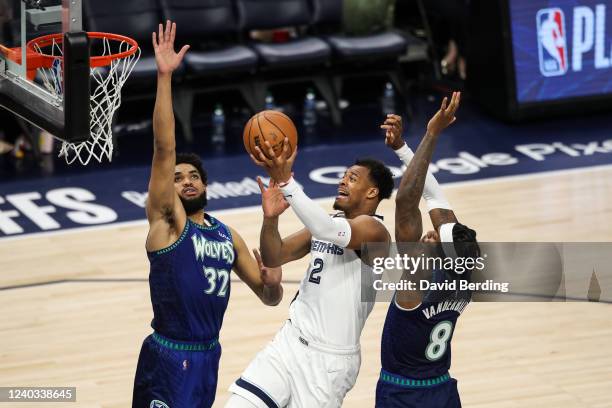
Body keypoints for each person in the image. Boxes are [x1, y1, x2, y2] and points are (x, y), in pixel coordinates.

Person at [132, 21, 283, 408]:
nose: (186, 182)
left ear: (205, 185)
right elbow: (164, 149)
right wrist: (165, 77)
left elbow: (269, 298)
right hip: (169, 356)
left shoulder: (227, 236)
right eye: (178, 178)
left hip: (209, 356)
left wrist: (273, 279)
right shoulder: (168, 223)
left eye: (194, 176)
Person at [225, 140, 394, 407]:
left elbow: (327, 230)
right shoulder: (331, 223)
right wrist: (270, 219)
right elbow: (275, 255)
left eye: (352, 178)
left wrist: (287, 183)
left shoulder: (376, 233)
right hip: (289, 342)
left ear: (372, 192)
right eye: (343, 177)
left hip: (328, 361)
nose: (342, 182)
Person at [376, 93, 479, 407]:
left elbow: (408, 199)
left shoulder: (416, 284)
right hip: (443, 388)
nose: (432, 233)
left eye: (435, 238)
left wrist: (432, 133)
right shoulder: (464, 277)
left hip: (403, 392)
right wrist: (402, 149)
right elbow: (435, 199)